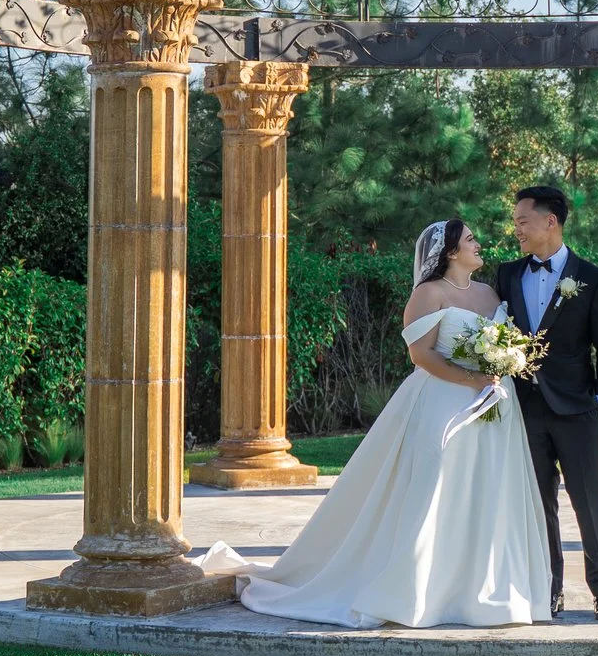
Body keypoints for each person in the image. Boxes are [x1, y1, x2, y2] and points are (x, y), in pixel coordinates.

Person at [219, 217, 552, 628]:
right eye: (470, 240)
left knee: (487, 489)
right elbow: (421, 355)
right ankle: (418, 589)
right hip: (444, 402)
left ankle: (479, 588)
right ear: (450, 251)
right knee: (435, 488)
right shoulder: (427, 295)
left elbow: (504, 341)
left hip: (496, 408)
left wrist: (501, 366)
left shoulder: (488, 292)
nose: (478, 244)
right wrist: (472, 378)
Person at [495, 184, 598, 621]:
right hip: (524, 409)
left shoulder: (593, 279)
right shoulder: (507, 275)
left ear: (551, 221)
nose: (517, 229)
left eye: (522, 221)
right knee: (538, 502)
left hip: (579, 408)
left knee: (589, 501)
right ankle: (549, 590)